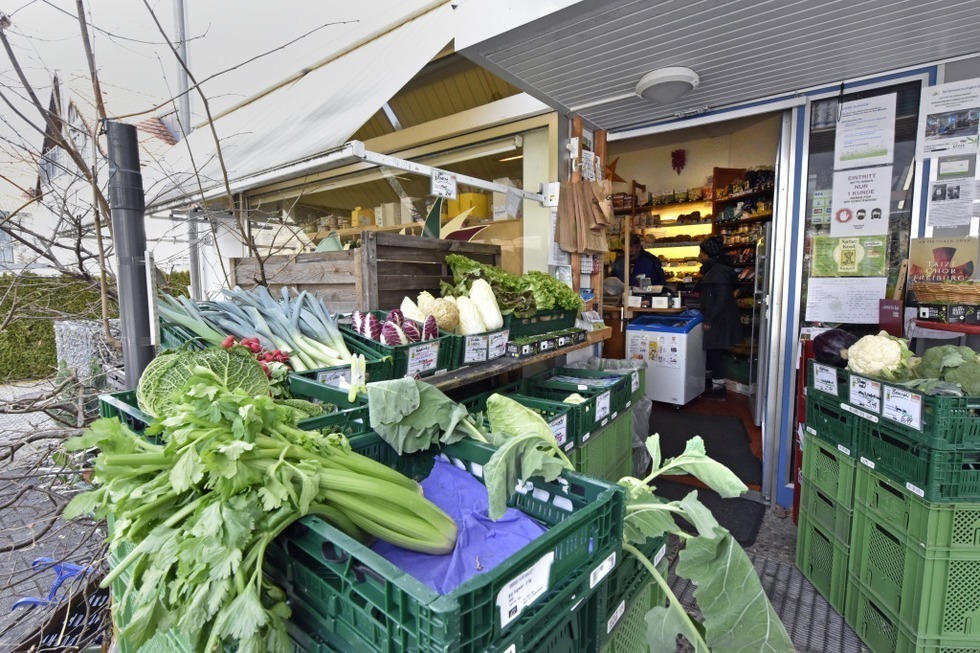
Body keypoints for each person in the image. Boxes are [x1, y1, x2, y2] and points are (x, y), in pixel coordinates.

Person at [697, 235, 740, 399]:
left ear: (707, 254)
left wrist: (709, 318)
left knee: (716, 352)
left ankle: (718, 389)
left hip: (719, 319)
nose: (699, 255)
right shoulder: (714, 270)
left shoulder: (718, 272)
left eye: (701, 252)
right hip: (717, 316)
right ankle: (711, 384)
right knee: (712, 351)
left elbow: (721, 298)